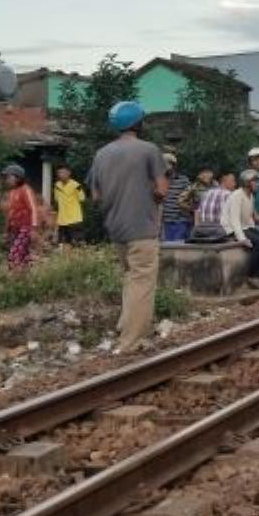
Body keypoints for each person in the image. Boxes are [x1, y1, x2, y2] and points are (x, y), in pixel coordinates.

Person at [87, 100, 168, 354]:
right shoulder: (148, 150)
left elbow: (95, 196)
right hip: (142, 227)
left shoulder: (101, 154)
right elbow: (162, 189)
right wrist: (152, 197)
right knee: (142, 282)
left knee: (131, 279)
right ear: (138, 123)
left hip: (116, 228)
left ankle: (126, 326)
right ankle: (130, 343)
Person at [225, 169, 259, 288]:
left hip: (245, 227)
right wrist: (242, 239)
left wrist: (254, 229)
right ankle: (253, 277)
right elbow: (234, 219)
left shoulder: (250, 196)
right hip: (232, 229)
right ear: (247, 183)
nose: (258, 184)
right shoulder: (237, 195)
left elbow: (248, 218)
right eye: (255, 182)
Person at [2, 163, 39, 271]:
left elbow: (33, 208)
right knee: (23, 255)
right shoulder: (12, 192)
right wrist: (6, 231)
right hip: (15, 228)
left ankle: (15, 279)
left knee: (14, 254)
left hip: (25, 228)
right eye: (6, 178)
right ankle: (23, 280)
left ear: (18, 177)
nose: (7, 180)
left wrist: (34, 228)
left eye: (9, 177)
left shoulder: (25, 189)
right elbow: (10, 213)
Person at [189, 171, 235, 241]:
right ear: (224, 179)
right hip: (220, 234)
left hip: (202, 232)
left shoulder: (206, 193)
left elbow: (197, 212)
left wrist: (196, 228)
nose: (235, 184)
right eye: (233, 180)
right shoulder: (229, 195)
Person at [160, 153, 192, 242]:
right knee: (169, 249)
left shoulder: (183, 180)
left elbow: (191, 199)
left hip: (181, 221)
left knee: (179, 248)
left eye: (166, 164)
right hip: (166, 221)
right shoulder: (160, 181)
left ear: (173, 165)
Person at [52, 164, 86, 246]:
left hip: (74, 218)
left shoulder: (76, 185)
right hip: (62, 219)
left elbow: (82, 198)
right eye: (59, 173)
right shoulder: (57, 185)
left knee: (78, 242)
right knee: (63, 243)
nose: (61, 175)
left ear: (69, 173)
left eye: (63, 172)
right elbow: (56, 199)